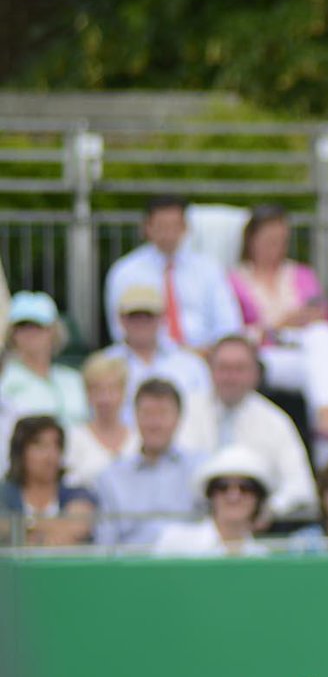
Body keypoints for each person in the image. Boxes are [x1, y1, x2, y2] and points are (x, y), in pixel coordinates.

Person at [228, 204, 328, 452]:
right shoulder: (233, 280)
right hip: (267, 353)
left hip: (305, 349)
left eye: (281, 240)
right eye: (269, 240)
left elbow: (325, 318)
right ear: (251, 240)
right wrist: (279, 324)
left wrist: (307, 318)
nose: (276, 247)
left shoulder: (302, 273)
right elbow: (234, 333)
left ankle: (326, 424)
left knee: (324, 342)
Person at [198, 335, 317, 520]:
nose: (231, 377)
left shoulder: (276, 421)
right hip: (193, 530)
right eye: (223, 368)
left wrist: (269, 510)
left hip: (256, 534)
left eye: (239, 369)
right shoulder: (185, 414)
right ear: (210, 371)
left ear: (256, 374)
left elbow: (301, 486)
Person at [103, 194, 240, 351]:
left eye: (174, 226)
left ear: (186, 227)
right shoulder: (125, 271)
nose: (168, 234)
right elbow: (119, 329)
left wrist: (212, 353)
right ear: (146, 227)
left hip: (206, 357)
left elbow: (228, 323)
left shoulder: (209, 269)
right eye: (161, 226)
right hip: (146, 357)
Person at [92, 378, 201, 549]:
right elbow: (105, 546)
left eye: (163, 414)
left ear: (179, 418)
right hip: (131, 568)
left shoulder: (200, 470)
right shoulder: (111, 477)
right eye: (147, 414)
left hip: (188, 565)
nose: (154, 424)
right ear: (135, 417)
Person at [105, 282, 212, 443]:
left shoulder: (191, 365)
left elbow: (203, 416)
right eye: (134, 316)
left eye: (148, 316)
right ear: (121, 319)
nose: (141, 322)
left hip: (183, 450)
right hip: (121, 452)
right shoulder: (105, 365)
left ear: (162, 318)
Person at [155, 444, 272, 558]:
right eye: (223, 487)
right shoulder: (176, 543)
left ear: (258, 498)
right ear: (210, 495)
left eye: (246, 488)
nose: (234, 496)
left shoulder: (261, 556)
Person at [0, 415, 96, 547]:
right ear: (20, 452)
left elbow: (78, 526)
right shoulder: (4, 494)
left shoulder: (76, 493)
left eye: (56, 446)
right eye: (41, 446)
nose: (50, 455)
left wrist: (28, 530)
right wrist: (53, 529)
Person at [0, 292, 86, 427]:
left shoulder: (74, 379)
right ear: (12, 334)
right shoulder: (5, 382)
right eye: (22, 327)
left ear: (53, 331)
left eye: (38, 326)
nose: (30, 333)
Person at [64, 352, 137, 489]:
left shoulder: (138, 438)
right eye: (97, 390)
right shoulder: (73, 438)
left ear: (124, 393)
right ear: (87, 394)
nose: (105, 398)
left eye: (112, 389)